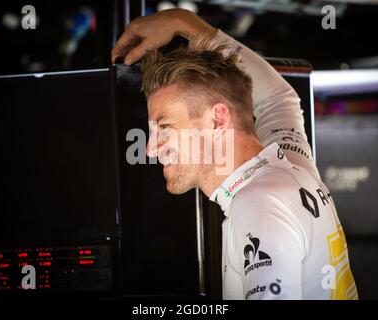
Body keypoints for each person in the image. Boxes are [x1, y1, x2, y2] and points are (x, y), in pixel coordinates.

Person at [112, 8, 358, 300]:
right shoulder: (291, 166)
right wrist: (182, 22)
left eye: (165, 125)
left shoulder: (259, 204)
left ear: (217, 119)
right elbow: (279, 98)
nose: (150, 148)